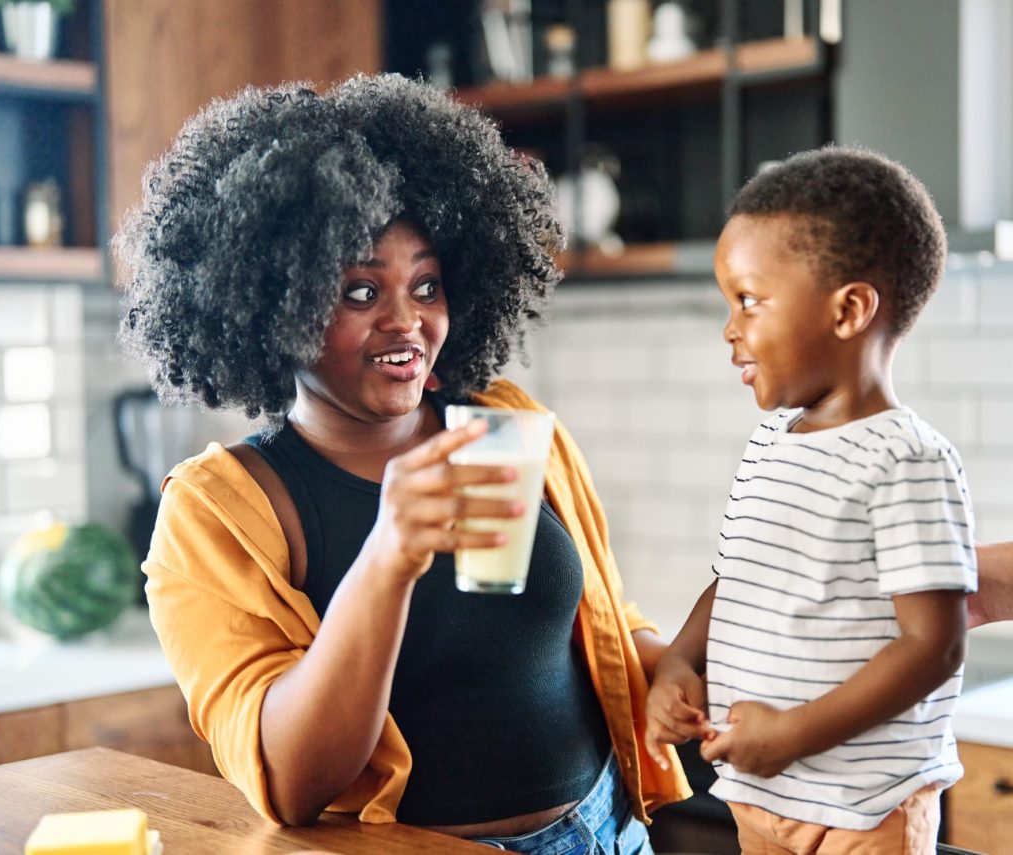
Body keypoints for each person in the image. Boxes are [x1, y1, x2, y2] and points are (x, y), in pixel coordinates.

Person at [113, 73, 689, 852]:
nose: (406, 321)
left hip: (608, 831)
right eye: (358, 290)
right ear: (273, 304)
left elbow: (594, 637)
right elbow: (290, 780)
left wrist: (697, 654)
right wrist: (388, 557)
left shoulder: (502, 423)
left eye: (427, 284)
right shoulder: (223, 510)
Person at [644, 146, 977, 854]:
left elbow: (934, 644)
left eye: (749, 300)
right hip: (761, 796)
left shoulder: (908, 460)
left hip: (867, 807)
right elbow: (737, 578)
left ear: (850, 309)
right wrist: (679, 660)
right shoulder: (772, 441)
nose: (730, 328)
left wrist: (795, 732)